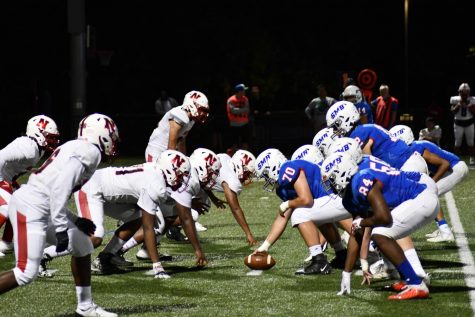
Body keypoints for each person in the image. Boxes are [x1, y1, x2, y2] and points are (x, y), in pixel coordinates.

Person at [0, 113, 120, 316]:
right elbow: (59, 189)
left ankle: (85, 306)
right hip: (32, 208)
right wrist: (63, 226)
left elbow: (50, 189)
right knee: (25, 272)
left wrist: (75, 220)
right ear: (102, 134)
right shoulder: (90, 152)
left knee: (82, 245)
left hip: (37, 205)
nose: (114, 141)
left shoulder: (75, 146)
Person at [39, 150, 191, 278]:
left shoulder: (155, 172)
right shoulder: (156, 184)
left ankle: (106, 258)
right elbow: (148, 228)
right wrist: (157, 266)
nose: (182, 179)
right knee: (95, 236)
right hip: (92, 188)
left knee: (136, 218)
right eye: (180, 174)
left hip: (107, 193)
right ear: (169, 170)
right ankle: (44, 255)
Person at [320, 152, 438, 300]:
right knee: (379, 234)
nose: (330, 186)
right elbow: (357, 233)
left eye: (331, 180)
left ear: (342, 173)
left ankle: (416, 284)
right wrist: (347, 273)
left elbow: (384, 217)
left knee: (380, 235)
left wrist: (362, 222)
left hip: (422, 198)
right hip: (415, 200)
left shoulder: (361, 179)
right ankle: (407, 279)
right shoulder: (349, 198)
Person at [253, 148, 352, 275]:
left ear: (272, 167)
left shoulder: (287, 168)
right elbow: (283, 217)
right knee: (315, 215)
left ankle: (319, 261)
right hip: (330, 200)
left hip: (338, 196)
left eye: (266, 175)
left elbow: (306, 200)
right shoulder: (282, 188)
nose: (267, 180)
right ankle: (341, 254)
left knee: (299, 214)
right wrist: (264, 247)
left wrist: (288, 203)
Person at [121, 148, 222, 266]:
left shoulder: (188, 168)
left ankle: (145, 250)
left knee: (169, 218)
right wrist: (198, 250)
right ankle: (118, 251)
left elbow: (175, 195)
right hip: (138, 190)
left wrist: (191, 202)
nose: (212, 177)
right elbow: (185, 218)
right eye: (211, 172)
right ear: (201, 167)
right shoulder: (190, 178)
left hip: (146, 189)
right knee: (159, 224)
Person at [390, 125, 469, 243]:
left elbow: (445, 164)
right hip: (455, 168)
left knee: (429, 193)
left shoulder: (416, 147)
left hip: (454, 169)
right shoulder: (417, 145)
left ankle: (445, 231)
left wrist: (432, 181)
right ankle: (444, 228)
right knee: (429, 193)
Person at [0, 115, 60, 257]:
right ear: (38, 133)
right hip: (1, 178)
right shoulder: (28, 145)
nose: (52, 141)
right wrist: (3, 181)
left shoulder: (37, 149)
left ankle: (6, 243)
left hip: (6, 178)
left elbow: (17, 165)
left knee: (22, 203)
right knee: (7, 206)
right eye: (50, 137)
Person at [191, 150, 258, 245]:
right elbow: (235, 208)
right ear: (240, 166)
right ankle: (173, 226)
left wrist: (213, 198)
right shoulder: (232, 181)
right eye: (247, 174)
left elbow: (204, 179)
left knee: (205, 203)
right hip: (187, 184)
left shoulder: (225, 158)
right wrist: (248, 234)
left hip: (193, 177)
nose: (247, 178)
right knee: (192, 214)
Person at [145, 90, 210, 163]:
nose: (203, 113)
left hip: (166, 151)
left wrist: (184, 159)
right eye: (201, 109)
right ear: (191, 105)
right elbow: (171, 143)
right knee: (157, 174)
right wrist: (171, 160)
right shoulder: (180, 114)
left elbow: (181, 141)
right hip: (157, 151)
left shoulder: (191, 120)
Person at [450, 83, 475, 165]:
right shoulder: (455, 99)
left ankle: (472, 159)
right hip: (458, 122)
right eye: (462, 92)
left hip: (469, 122)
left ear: (469, 92)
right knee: (457, 142)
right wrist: (458, 105)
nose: (464, 94)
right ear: (459, 92)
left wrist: (469, 106)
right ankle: (456, 159)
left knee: (470, 142)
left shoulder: (472, 99)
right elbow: (453, 111)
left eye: (466, 92)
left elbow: (474, 112)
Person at [226, 83, 251, 152]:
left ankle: (245, 154)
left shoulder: (245, 99)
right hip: (234, 125)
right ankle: (234, 157)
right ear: (239, 91)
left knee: (245, 141)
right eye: (243, 90)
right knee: (234, 143)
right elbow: (233, 111)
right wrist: (243, 110)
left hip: (244, 124)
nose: (244, 92)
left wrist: (239, 110)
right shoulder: (230, 100)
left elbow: (247, 109)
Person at [249, 85, 272, 153]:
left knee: (265, 135)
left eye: (255, 89)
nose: (254, 91)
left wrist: (267, 111)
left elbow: (267, 107)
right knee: (257, 136)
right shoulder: (251, 98)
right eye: (253, 89)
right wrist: (254, 112)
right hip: (256, 120)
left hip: (264, 119)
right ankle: (258, 151)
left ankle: (267, 149)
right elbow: (251, 109)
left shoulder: (263, 97)